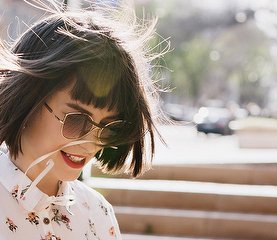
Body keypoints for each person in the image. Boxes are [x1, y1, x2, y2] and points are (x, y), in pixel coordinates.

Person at [0, 1, 165, 239]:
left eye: (108, 127)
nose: (91, 143)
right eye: (77, 119)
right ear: (28, 99)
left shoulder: (97, 213)